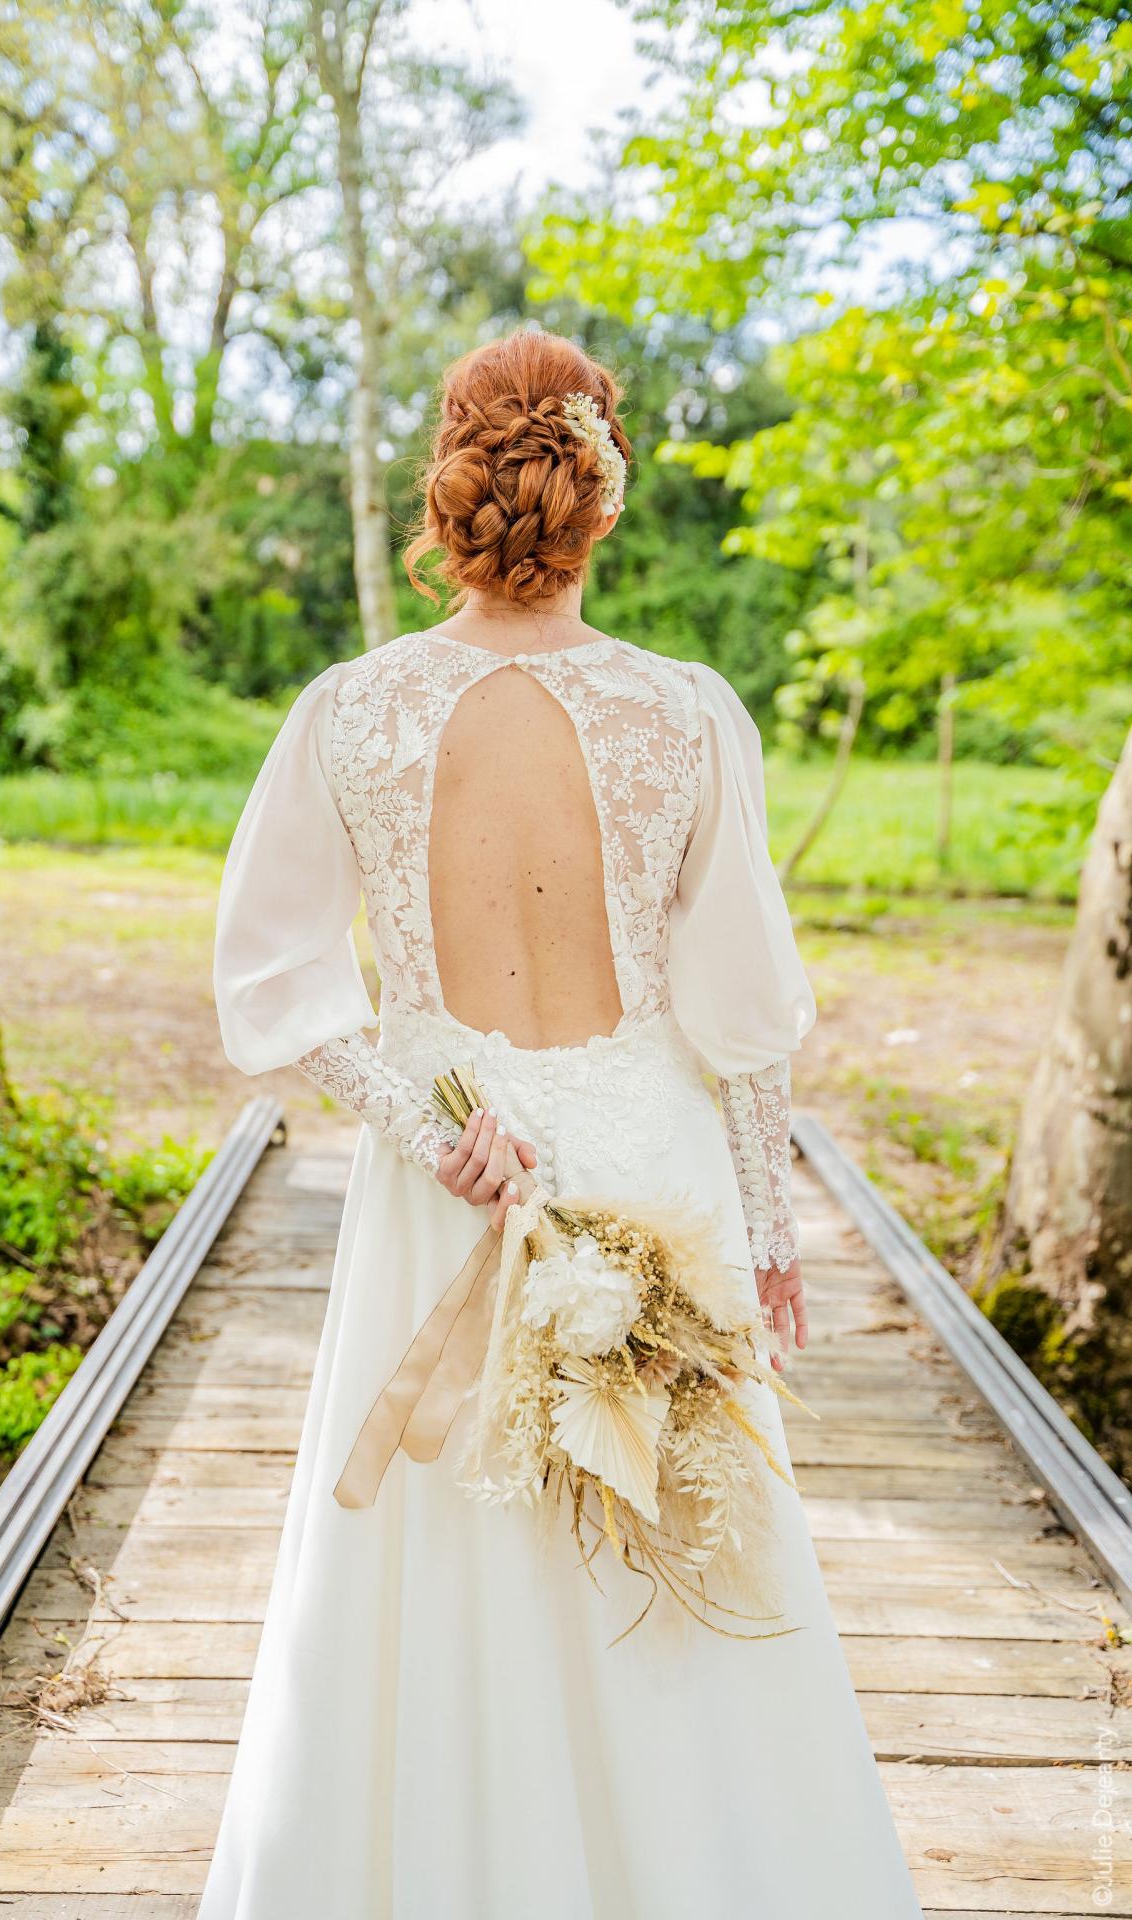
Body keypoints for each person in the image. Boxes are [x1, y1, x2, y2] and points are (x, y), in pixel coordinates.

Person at [201, 330, 922, 1918]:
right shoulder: (688, 714)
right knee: (677, 1557)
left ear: (453, 490)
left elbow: (272, 975)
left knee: (440, 1565)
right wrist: (769, 1236)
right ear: (601, 493)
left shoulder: (353, 711)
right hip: (653, 1170)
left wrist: (424, 1120)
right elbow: (741, 1023)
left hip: (446, 1195)